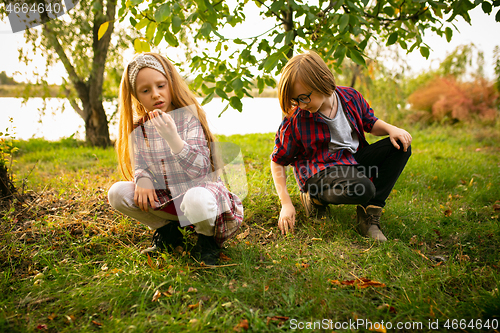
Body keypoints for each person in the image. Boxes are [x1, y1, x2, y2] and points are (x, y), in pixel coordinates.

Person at [108, 52, 244, 264]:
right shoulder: (141, 128)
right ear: (136, 96)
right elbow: (140, 165)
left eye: (161, 86)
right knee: (117, 193)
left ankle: (207, 240)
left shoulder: (189, 118)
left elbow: (201, 169)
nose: (155, 94)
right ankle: (169, 233)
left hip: (201, 200)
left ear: (170, 84)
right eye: (145, 90)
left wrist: (174, 140)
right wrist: (142, 178)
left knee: (196, 198)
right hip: (170, 200)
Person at [270, 51, 412, 241]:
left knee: (400, 146)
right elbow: (277, 161)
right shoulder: (296, 120)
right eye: (296, 100)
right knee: (363, 188)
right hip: (320, 171)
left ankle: (369, 214)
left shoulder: (350, 97)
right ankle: (315, 197)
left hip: (352, 162)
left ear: (321, 81)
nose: (300, 105)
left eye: (304, 97)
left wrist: (391, 129)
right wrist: (286, 203)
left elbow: (370, 122)